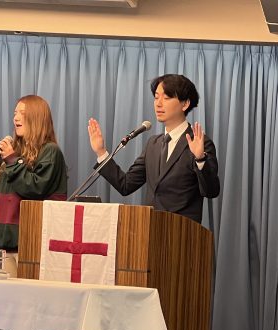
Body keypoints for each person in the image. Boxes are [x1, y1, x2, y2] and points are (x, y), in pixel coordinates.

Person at [87, 74, 219, 225]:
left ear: (185, 104)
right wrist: (101, 152)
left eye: (166, 98)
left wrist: (200, 159)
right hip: (151, 229)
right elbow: (126, 185)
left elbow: (211, 191)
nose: (158, 104)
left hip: (183, 233)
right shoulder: (153, 144)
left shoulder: (200, 143)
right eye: (156, 98)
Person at [0, 94, 68, 272]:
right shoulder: (14, 155)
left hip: (32, 245)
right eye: (15, 113)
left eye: (22, 113)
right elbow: (2, 201)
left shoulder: (50, 151)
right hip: (3, 246)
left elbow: (35, 188)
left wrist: (12, 161)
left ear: (36, 118)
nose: (16, 118)